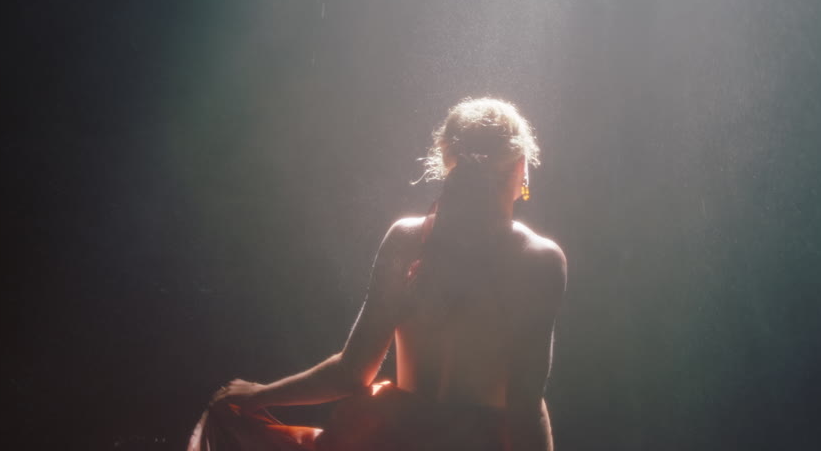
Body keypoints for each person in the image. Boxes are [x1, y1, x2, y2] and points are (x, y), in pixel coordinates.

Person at [189, 98, 567, 451]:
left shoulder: (406, 239)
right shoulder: (538, 260)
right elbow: (525, 407)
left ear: (447, 160)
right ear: (521, 165)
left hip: (392, 438)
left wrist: (258, 395)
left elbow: (352, 372)